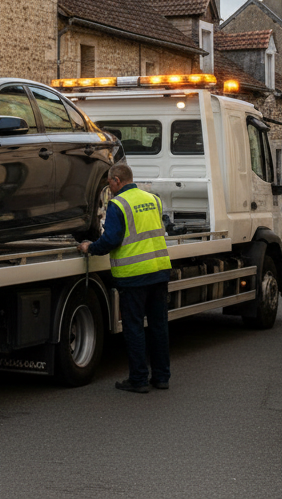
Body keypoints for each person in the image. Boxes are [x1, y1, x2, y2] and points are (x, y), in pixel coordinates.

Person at [78, 162, 172, 393]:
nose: (109, 187)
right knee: (159, 326)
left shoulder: (117, 204)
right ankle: (161, 377)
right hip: (159, 270)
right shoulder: (153, 199)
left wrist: (90, 247)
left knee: (134, 327)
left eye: (109, 182)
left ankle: (139, 380)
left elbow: (111, 240)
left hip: (134, 275)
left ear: (117, 181)